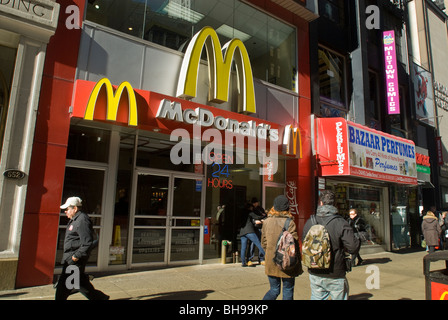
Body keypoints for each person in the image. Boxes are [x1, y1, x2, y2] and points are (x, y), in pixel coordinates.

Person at [302, 190, 359, 300]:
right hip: (335, 272)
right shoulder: (341, 223)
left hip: (315, 269)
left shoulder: (310, 221)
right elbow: (353, 247)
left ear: (321, 203)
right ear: (335, 204)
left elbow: (304, 242)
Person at [55, 197, 109, 300]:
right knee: (79, 283)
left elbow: (87, 242)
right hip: (71, 258)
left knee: (64, 285)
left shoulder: (82, 220)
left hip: (74, 259)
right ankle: (100, 298)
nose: (65, 211)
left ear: (75, 208)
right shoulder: (75, 219)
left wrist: (76, 256)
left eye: (67, 209)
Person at [261, 195, 302, 300]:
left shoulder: (266, 221)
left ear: (274, 207)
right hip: (287, 262)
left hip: (271, 260)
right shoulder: (289, 222)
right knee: (288, 289)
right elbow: (294, 244)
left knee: (274, 289)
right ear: (287, 208)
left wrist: (270, 252)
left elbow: (263, 242)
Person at [239, 203, 265, 267]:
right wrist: (263, 216)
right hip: (249, 231)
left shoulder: (241, 213)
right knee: (259, 244)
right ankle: (267, 257)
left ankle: (243, 262)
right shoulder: (250, 212)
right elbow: (257, 217)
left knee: (243, 248)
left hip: (242, 232)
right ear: (250, 207)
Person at [247, 198, 266, 265]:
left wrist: (262, 220)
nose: (256, 204)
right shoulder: (251, 209)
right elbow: (250, 218)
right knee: (252, 243)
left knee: (261, 243)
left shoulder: (260, 209)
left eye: (256, 203)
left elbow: (264, 215)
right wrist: (255, 221)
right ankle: (250, 258)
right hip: (253, 228)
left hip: (260, 227)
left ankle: (261, 259)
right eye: (254, 203)